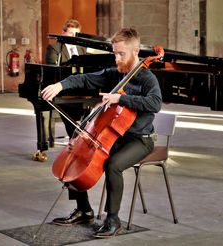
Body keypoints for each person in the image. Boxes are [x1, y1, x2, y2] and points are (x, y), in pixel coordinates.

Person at [41, 27, 162, 238]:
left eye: (121, 54)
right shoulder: (115, 74)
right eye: (115, 53)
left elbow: (155, 103)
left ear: (135, 52)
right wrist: (61, 85)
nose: (116, 58)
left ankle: (113, 219)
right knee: (77, 149)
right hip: (116, 135)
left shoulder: (147, 78)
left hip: (140, 138)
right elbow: (85, 79)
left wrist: (120, 98)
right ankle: (84, 210)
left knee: (113, 164)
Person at [45, 19, 88, 142]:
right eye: (70, 33)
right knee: (68, 105)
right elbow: (52, 70)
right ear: (63, 33)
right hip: (63, 85)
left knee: (94, 104)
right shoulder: (54, 47)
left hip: (80, 87)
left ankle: (83, 133)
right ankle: (74, 137)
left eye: (76, 34)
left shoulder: (82, 48)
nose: (73, 37)